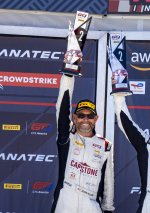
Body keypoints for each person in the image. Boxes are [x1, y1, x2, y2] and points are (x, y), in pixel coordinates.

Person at [51, 74, 115, 213]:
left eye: (90, 116)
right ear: (74, 118)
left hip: (91, 207)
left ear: (96, 119)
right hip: (64, 204)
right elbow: (61, 109)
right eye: (81, 115)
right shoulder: (67, 137)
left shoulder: (105, 146)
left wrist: (108, 208)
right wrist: (69, 75)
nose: (85, 119)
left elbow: (108, 183)